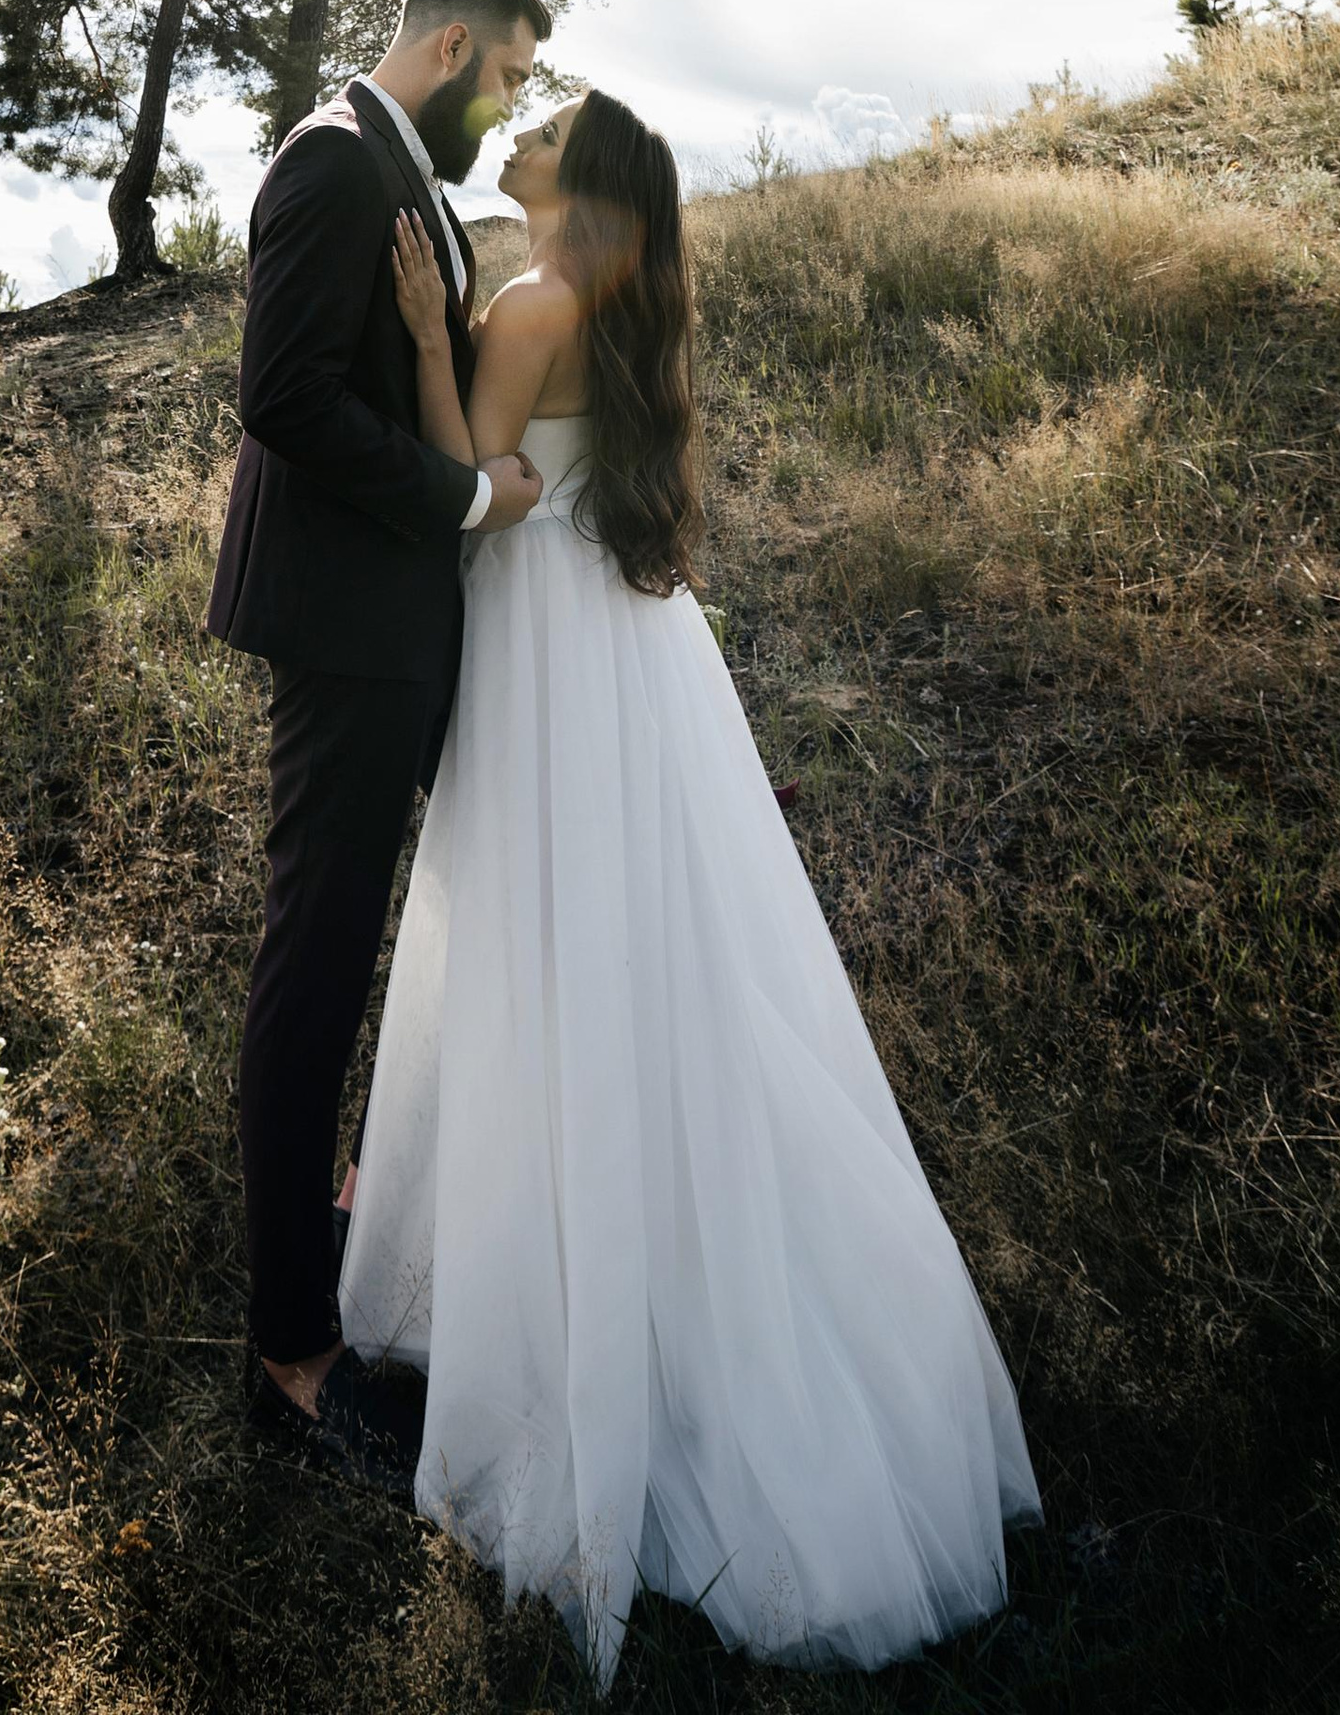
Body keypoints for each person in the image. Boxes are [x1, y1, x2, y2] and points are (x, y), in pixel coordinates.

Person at [341, 86, 1041, 1684]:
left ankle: (567, 1304)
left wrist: (429, 349)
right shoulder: (626, 312)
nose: (522, 130)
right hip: (639, 661)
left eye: (548, 127)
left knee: (545, 950)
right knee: (656, 957)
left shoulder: (525, 306)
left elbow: (471, 485)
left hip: (541, 663)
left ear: (572, 183)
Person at [205, 0, 552, 1485]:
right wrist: (465, 494)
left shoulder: (396, 172)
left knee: (347, 955)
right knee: (315, 960)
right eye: (516, 77)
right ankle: (292, 1348)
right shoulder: (340, 163)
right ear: (458, 47)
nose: (516, 105)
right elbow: (279, 396)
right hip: (348, 639)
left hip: (390, 634)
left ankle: (335, 1236)